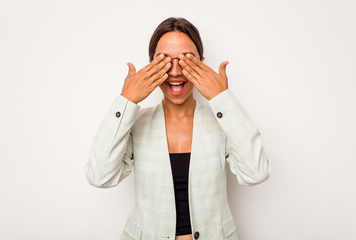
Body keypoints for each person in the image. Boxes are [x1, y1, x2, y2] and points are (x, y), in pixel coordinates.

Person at [85, 17, 271, 240]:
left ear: (202, 64)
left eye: (186, 60)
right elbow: (99, 176)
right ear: (150, 65)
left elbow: (256, 173)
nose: (175, 71)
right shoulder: (136, 123)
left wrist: (223, 99)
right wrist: (126, 101)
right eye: (163, 60)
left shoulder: (222, 121)